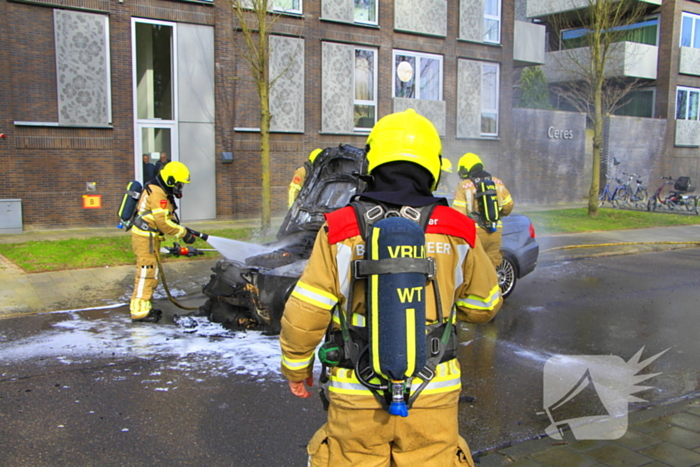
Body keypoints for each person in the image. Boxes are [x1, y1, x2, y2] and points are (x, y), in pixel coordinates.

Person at [279, 109, 502, 466]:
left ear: (372, 162)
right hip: (434, 389)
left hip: (356, 389)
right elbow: (485, 305)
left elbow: (307, 308)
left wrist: (296, 366)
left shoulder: (340, 227)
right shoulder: (459, 228)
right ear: (433, 166)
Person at [129, 161, 198, 322]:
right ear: (170, 180)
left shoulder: (160, 189)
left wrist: (184, 230)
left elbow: (166, 217)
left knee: (151, 271)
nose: (180, 187)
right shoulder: (157, 193)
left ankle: (145, 305)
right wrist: (183, 234)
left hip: (149, 236)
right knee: (146, 272)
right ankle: (139, 311)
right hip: (145, 237)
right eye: (179, 183)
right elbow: (163, 223)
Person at [453, 152, 514, 268]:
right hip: (495, 230)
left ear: (465, 168)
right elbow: (509, 206)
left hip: (474, 232)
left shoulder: (463, 186)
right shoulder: (498, 182)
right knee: (491, 267)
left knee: (474, 267)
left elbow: (459, 214)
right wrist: (496, 214)